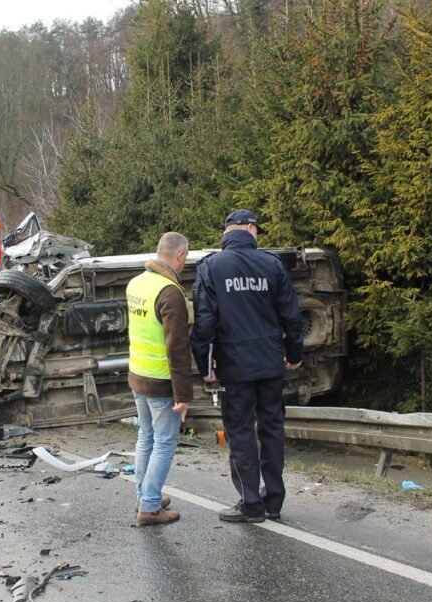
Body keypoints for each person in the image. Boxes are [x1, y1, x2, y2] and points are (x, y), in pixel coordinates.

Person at [190, 209, 303, 523]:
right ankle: (274, 502)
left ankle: (251, 503)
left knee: (240, 432)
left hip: (235, 366)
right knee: (272, 430)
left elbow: (204, 323)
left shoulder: (211, 267)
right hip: (269, 363)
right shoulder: (272, 265)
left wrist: (205, 364)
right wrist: (294, 354)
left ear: (227, 232)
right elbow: (291, 316)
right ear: (251, 229)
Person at [127, 231, 193, 526]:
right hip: (160, 381)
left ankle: (145, 495)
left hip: (137, 376)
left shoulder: (137, 283)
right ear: (179, 256)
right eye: (186, 258)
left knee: (146, 437)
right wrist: (183, 396)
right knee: (165, 442)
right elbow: (177, 348)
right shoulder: (170, 292)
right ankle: (151, 506)